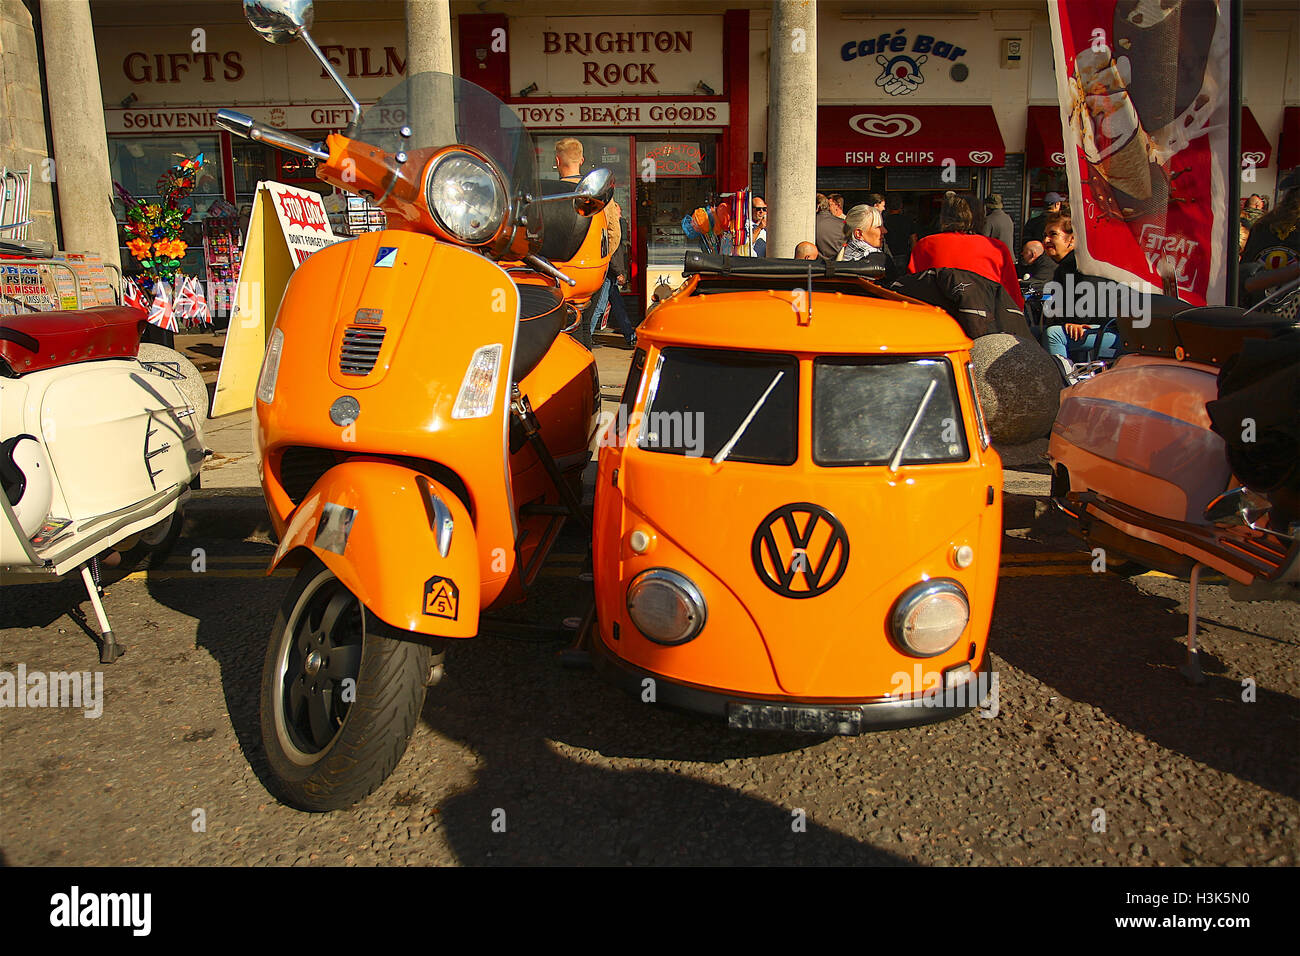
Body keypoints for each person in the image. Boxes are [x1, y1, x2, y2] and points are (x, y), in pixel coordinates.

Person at [908, 194, 1024, 307]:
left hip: (939, 320)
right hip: (983, 320)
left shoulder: (925, 245)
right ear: (980, 217)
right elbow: (1014, 298)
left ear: (944, 217)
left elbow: (912, 291)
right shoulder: (996, 248)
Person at [1039, 211, 1117, 362]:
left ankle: (1064, 382)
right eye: (1045, 235)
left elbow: (1086, 307)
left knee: (1054, 335)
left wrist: (1076, 322)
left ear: (1072, 240)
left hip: (1112, 331)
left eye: (1053, 234)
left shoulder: (1084, 265)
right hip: (1091, 328)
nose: (1046, 240)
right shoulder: (1064, 267)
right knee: (1032, 334)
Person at [584, 198, 636, 347]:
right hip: (609, 274)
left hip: (611, 274)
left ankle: (630, 336)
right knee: (600, 307)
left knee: (619, 306)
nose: (619, 212)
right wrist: (619, 271)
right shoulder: (611, 229)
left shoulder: (616, 227)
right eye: (617, 209)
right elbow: (611, 253)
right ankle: (587, 337)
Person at [815, 193, 845, 259]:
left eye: (831, 204)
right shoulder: (843, 224)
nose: (830, 207)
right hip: (837, 264)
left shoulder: (811, 223)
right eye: (829, 205)